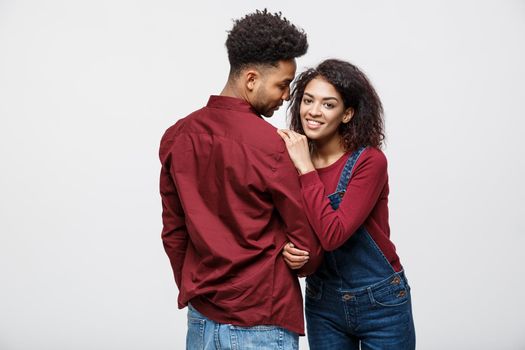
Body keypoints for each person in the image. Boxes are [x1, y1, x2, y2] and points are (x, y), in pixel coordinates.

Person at [159, 10, 323, 350]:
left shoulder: (178, 136)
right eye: (282, 85)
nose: (286, 96)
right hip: (262, 316)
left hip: (202, 319)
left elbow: (174, 232)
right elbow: (305, 243)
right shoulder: (276, 147)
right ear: (251, 80)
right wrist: (308, 258)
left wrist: (198, 286)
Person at [277, 59, 416, 349]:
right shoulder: (290, 159)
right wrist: (290, 249)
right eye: (307, 100)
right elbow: (289, 223)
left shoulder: (369, 162)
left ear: (347, 114)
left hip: (381, 300)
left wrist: (305, 168)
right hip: (322, 302)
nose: (313, 112)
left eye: (328, 105)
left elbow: (333, 234)